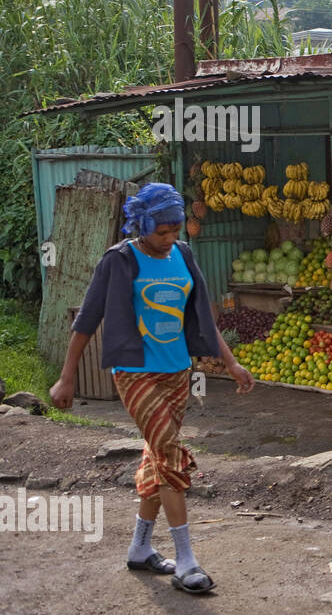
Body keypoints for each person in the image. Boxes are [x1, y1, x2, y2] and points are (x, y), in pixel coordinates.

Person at [49, 183, 254, 594]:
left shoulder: (183, 255)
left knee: (157, 460)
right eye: (161, 231)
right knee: (170, 456)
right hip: (135, 373)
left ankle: (140, 548)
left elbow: (202, 316)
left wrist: (230, 362)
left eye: (175, 230)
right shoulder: (119, 261)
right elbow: (86, 321)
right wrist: (67, 376)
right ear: (142, 225)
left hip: (178, 373)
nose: (169, 238)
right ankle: (187, 562)